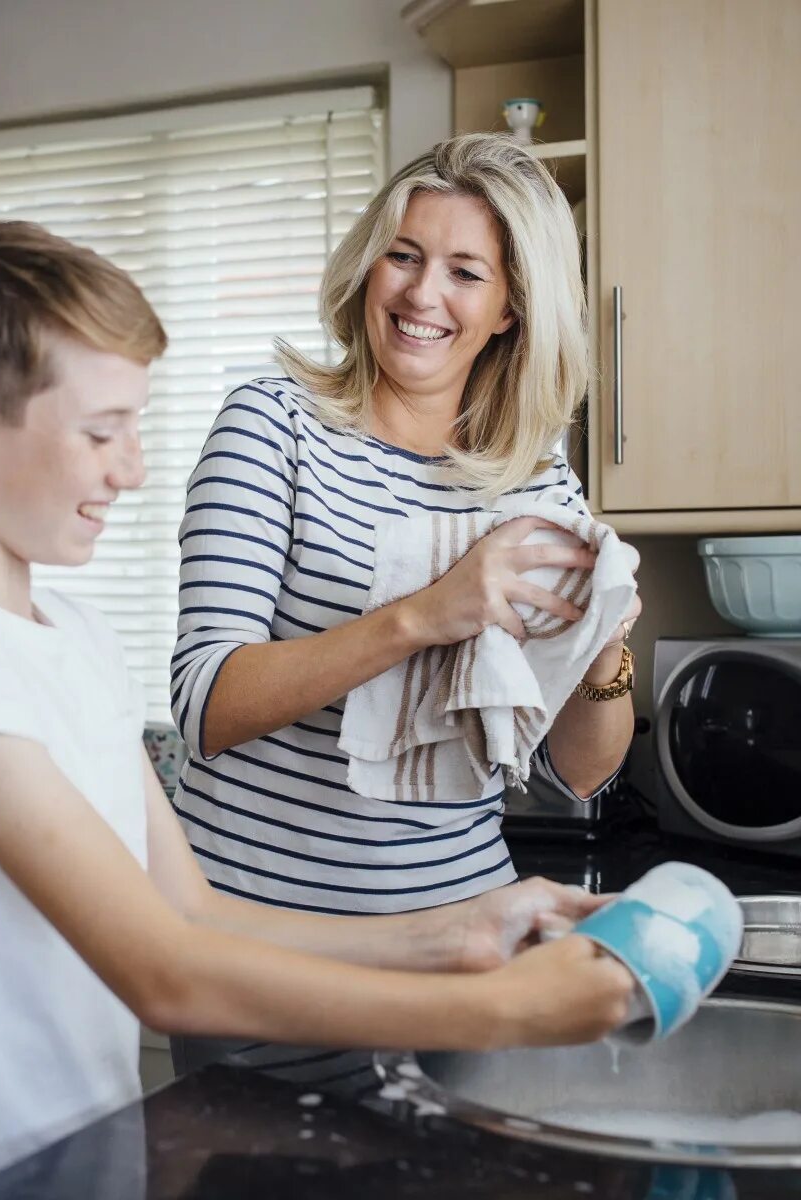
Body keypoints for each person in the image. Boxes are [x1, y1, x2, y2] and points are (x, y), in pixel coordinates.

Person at [0, 220, 640, 1200]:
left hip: (88, 1167)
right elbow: (164, 973)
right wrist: (504, 1015)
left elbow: (189, 909)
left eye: (135, 427)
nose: (131, 469)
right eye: (99, 430)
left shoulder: (69, 634)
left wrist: (462, 936)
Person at [170, 132, 639, 923]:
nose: (422, 295)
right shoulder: (273, 425)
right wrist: (422, 618)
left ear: (509, 308)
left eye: (464, 273)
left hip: (461, 930)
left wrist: (603, 645)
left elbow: (577, 776)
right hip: (261, 938)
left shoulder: (540, 482)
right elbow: (205, 704)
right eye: (403, 256)